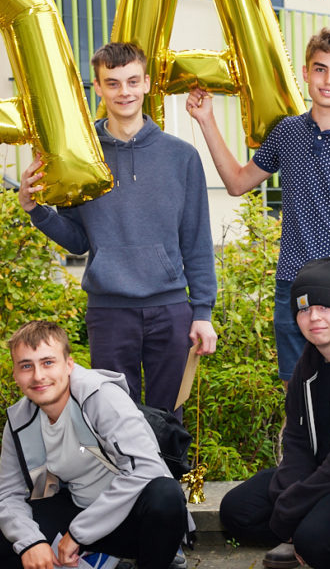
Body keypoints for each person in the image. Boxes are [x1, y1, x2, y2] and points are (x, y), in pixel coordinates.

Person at [18, 42, 217, 416]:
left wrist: (203, 312)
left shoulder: (181, 157)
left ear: (146, 84)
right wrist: (36, 210)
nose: (124, 92)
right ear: (98, 87)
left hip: (170, 307)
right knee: (113, 418)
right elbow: (78, 240)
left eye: (131, 81)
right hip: (109, 311)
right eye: (113, 83)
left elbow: (197, 241)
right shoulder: (80, 157)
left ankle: (167, 478)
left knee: (169, 418)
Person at [186, 27, 330, 381]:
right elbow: (237, 183)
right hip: (293, 286)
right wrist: (207, 121)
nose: (329, 80)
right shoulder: (287, 133)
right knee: (294, 391)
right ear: (306, 74)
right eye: (320, 68)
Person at [219, 257, 330, 569]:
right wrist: (292, 492)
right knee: (236, 510)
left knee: (315, 540)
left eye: (324, 307)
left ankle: (305, 537)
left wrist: (297, 501)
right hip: (316, 471)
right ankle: (297, 532)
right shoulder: (307, 363)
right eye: (303, 309)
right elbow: (297, 440)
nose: (313, 317)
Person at [0, 321, 191, 569]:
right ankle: (101, 562)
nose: (38, 376)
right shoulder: (19, 421)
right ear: (15, 374)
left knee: (165, 495)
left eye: (48, 362)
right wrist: (30, 542)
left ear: (69, 365)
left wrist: (79, 534)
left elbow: (148, 469)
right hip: (79, 509)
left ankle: (156, 559)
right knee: (12, 536)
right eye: (26, 366)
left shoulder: (101, 397)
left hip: (130, 519)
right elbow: (9, 495)